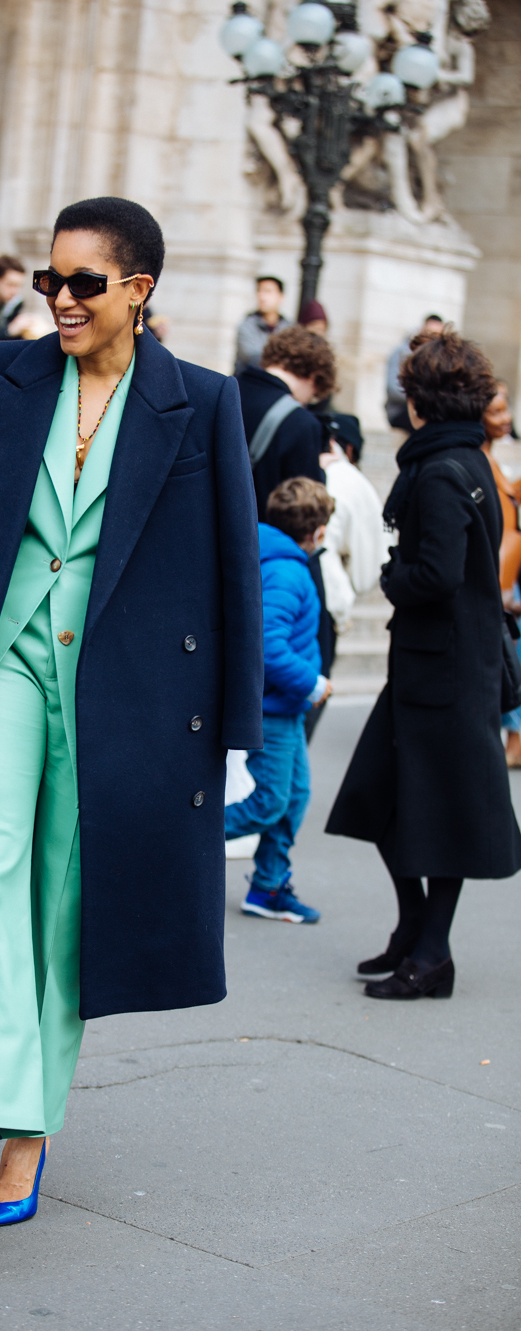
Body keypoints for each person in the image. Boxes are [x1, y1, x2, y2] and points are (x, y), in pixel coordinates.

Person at [0, 196, 263, 1235]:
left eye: (83, 284)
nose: (60, 300)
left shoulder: (200, 402)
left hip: (125, 690)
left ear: (139, 292)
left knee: (66, 904)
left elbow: (228, 570)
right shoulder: (0, 376)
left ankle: (28, 1132)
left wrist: (236, 732)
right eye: (48, 280)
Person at [327, 329, 521, 1000]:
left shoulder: (440, 471)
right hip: (445, 666)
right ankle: (417, 930)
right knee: (389, 800)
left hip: (442, 669)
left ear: (422, 402)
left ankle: (432, 950)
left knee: (436, 810)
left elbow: (433, 575)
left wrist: (390, 576)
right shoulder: (464, 461)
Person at [225, 477, 334, 923]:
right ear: (319, 531)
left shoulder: (275, 557)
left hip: (280, 708)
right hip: (274, 707)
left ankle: (268, 886)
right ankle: (180, 840)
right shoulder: (288, 569)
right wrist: (313, 684)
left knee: (293, 798)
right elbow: (269, 647)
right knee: (271, 802)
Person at [236, 324, 331, 522]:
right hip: (260, 543)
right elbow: (304, 511)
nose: (307, 402)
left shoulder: (222, 390)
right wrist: (320, 469)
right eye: (313, 396)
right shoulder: (301, 422)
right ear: (314, 377)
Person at [317, 413, 390, 632]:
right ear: (350, 450)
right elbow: (371, 559)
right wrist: (341, 609)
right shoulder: (348, 479)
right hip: (327, 597)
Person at [480, 387, 521, 767]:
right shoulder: (481, 462)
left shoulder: (493, 461)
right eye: (496, 410)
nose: (505, 418)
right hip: (500, 583)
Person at [385, 314, 445, 430]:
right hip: (401, 411)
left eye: (438, 335)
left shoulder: (440, 357)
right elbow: (393, 389)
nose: (434, 339)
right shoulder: (403, 352)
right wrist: (425, 397)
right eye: (430, 333)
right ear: (422, 330)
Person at [234, 275, 291, 377]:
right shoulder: (247, 325)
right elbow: (252, 357)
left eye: (268, 291)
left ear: (281, 297)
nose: (262, 296)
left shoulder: (289, 328)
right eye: (259, 291)